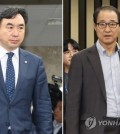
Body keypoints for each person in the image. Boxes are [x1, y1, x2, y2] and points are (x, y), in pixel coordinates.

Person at [66, 5, 120, 134]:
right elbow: (73, 105)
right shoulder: (80, 59)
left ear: (118, 26)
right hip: (94, 128)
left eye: (112, 24)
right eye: (102, 24)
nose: (107, 29)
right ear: (95, 27)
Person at [0, 7, 53, 134]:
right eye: (10, 27)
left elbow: (42, 106)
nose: (16, 33)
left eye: (20, 27)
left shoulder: (35, 63)